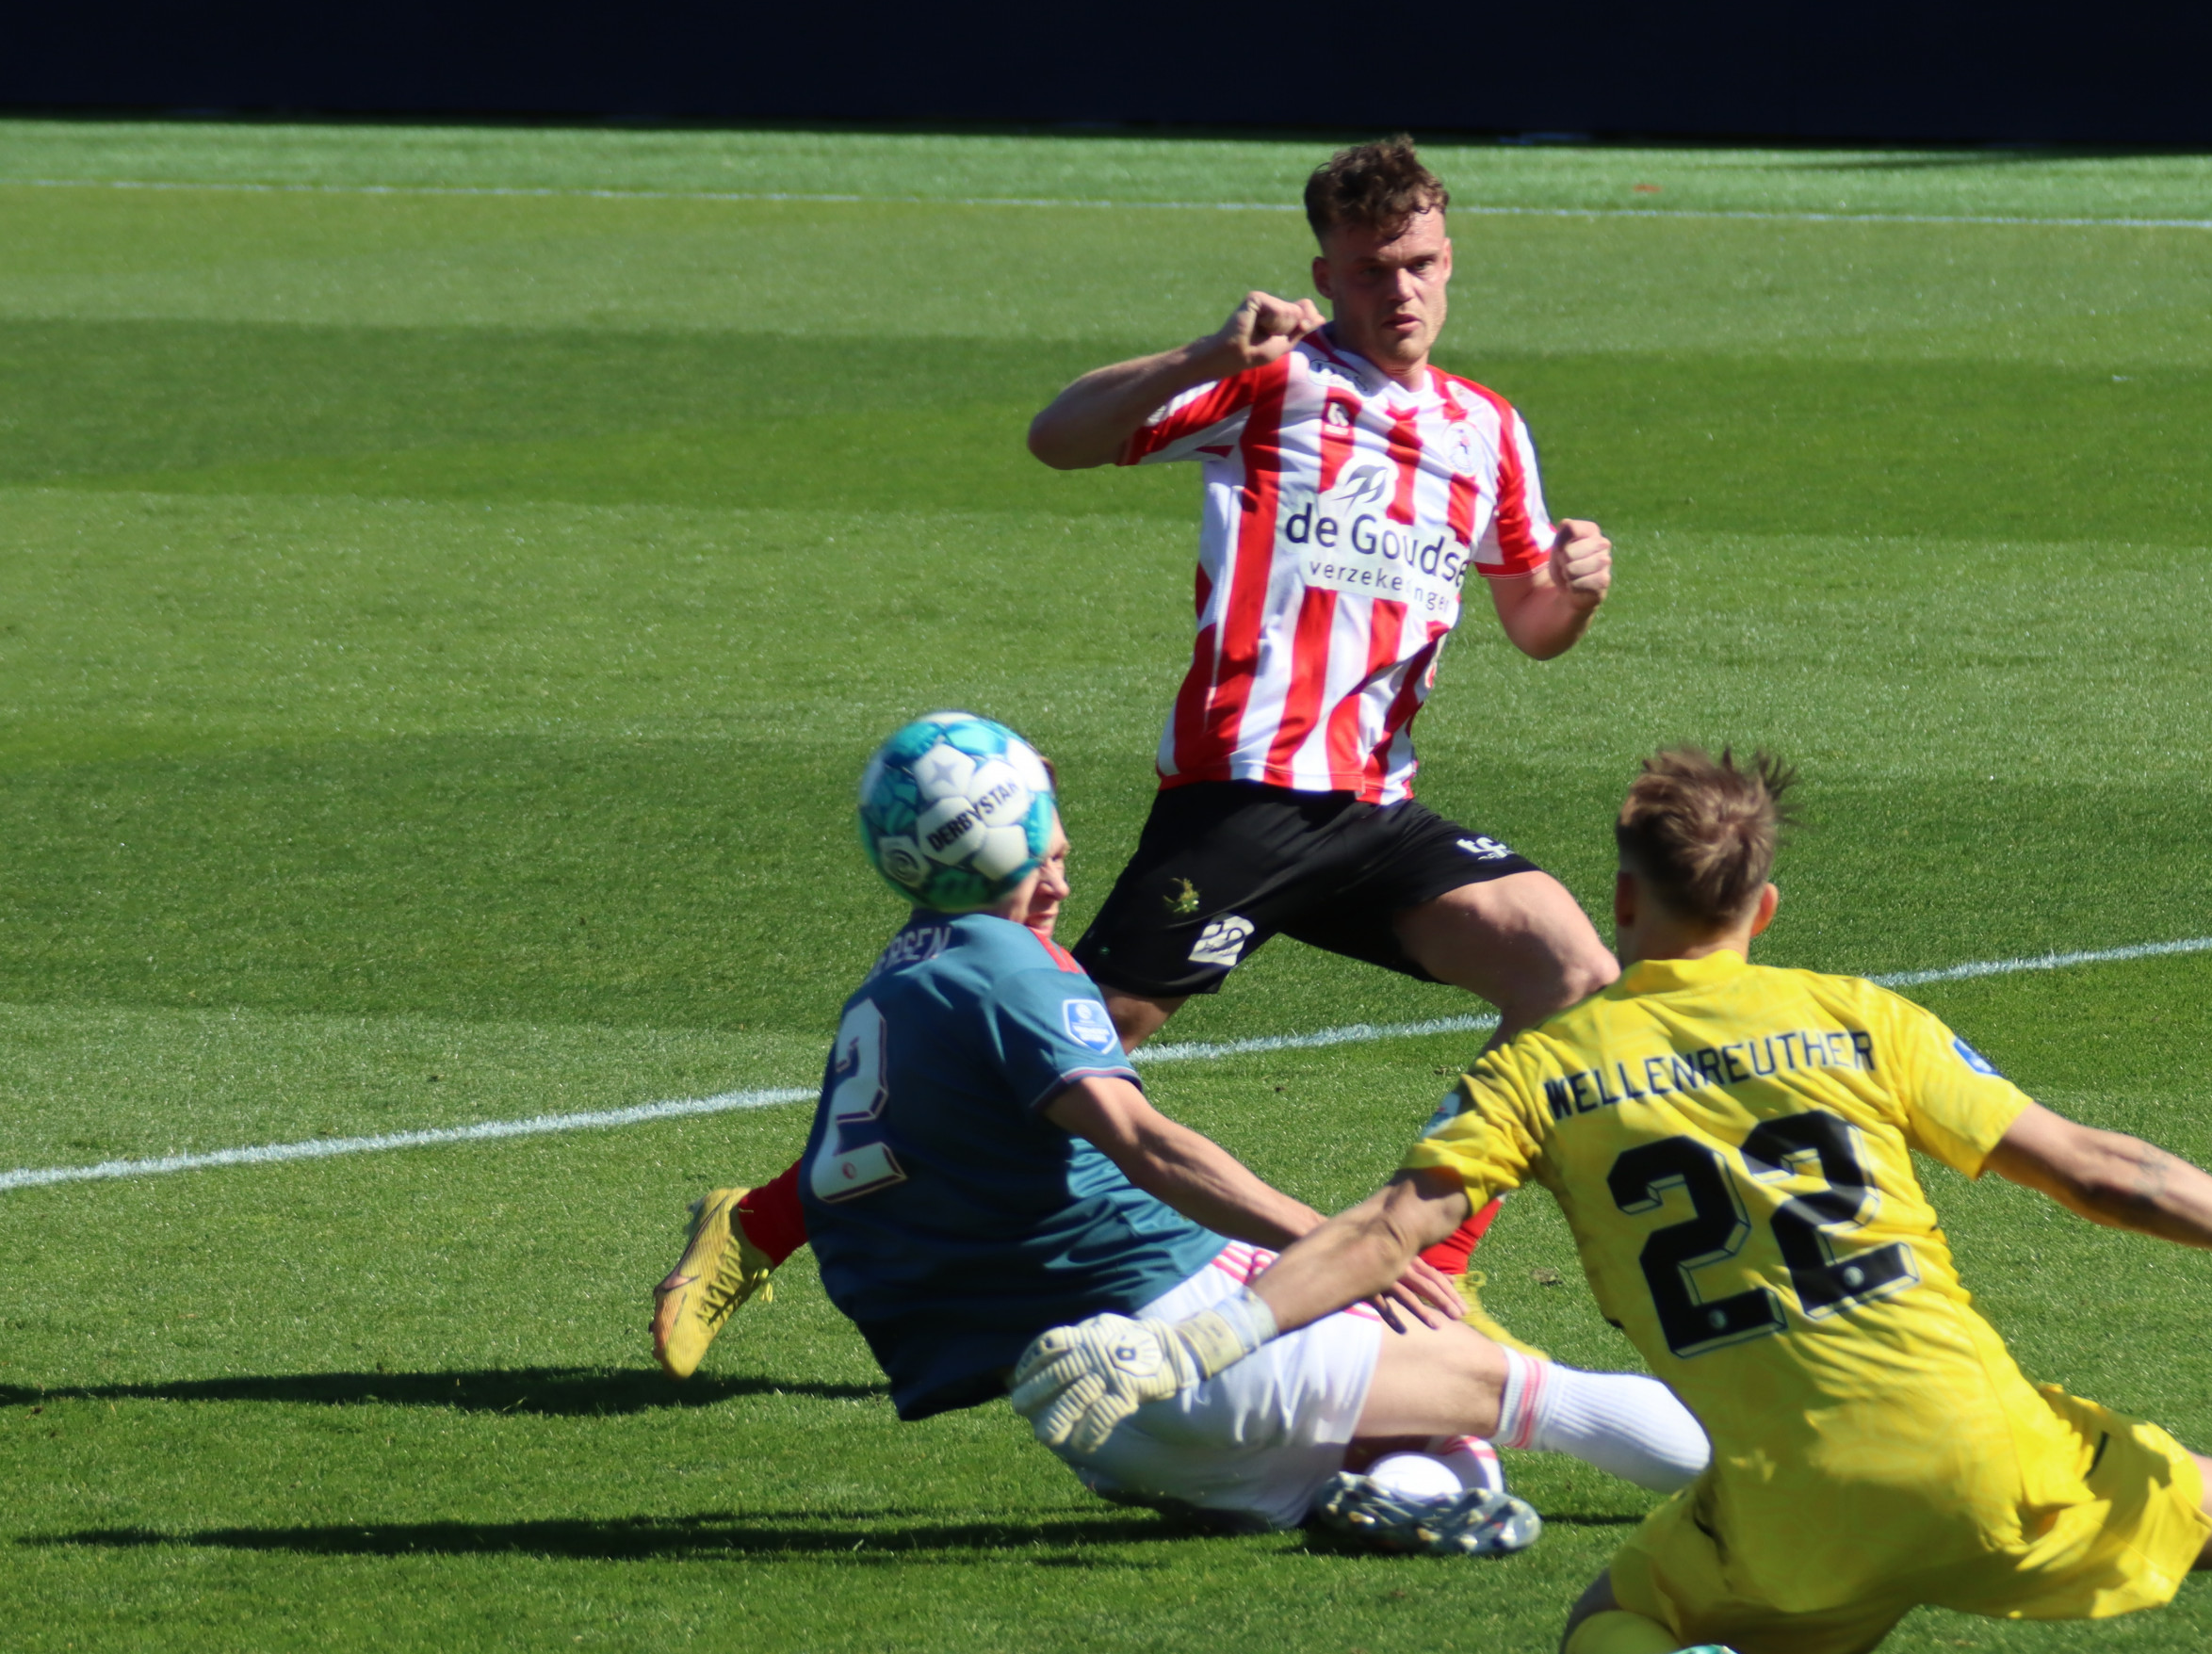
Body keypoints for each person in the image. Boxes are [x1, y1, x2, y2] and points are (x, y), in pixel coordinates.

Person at [1014, 747, 2212, 1654]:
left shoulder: (1540, 1068)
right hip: (1985, 1467)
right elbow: (2092, 1171)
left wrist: (1192, 1340)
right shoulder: (1852, 1019)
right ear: (1765, 911)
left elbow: (1389, 1234)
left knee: (1620, 1604)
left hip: (1784, 1523)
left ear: (1623, 903)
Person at [655, 133, 1616, 1378]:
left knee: (1577, 974)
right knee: (1060, 1051)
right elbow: (1057, 438)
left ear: (1451, 256)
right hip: (1243, 800)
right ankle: (760, 1221)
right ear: (1326, 270)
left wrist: (1580, 586)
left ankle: (1425, 1265)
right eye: (1374, 269)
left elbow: (1536, 623)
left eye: (1423, 263)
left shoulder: (1488, 428)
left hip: (1377, 812)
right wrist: (1210, 352)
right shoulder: (1275, 382)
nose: (1403, 291)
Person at [796, 717, 1712, 1555]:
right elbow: (1147, 1146)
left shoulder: (883, 994)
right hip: (1182, 1335)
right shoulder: (1014, 968)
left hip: (1092, 1409)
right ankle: (1799, 1476)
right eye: (1050, 856)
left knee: (1426, 1432)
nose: (1063, 881)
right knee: (1525, 1390)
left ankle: (1405, 1498)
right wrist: (1347, 1249)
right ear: (1014, 842)